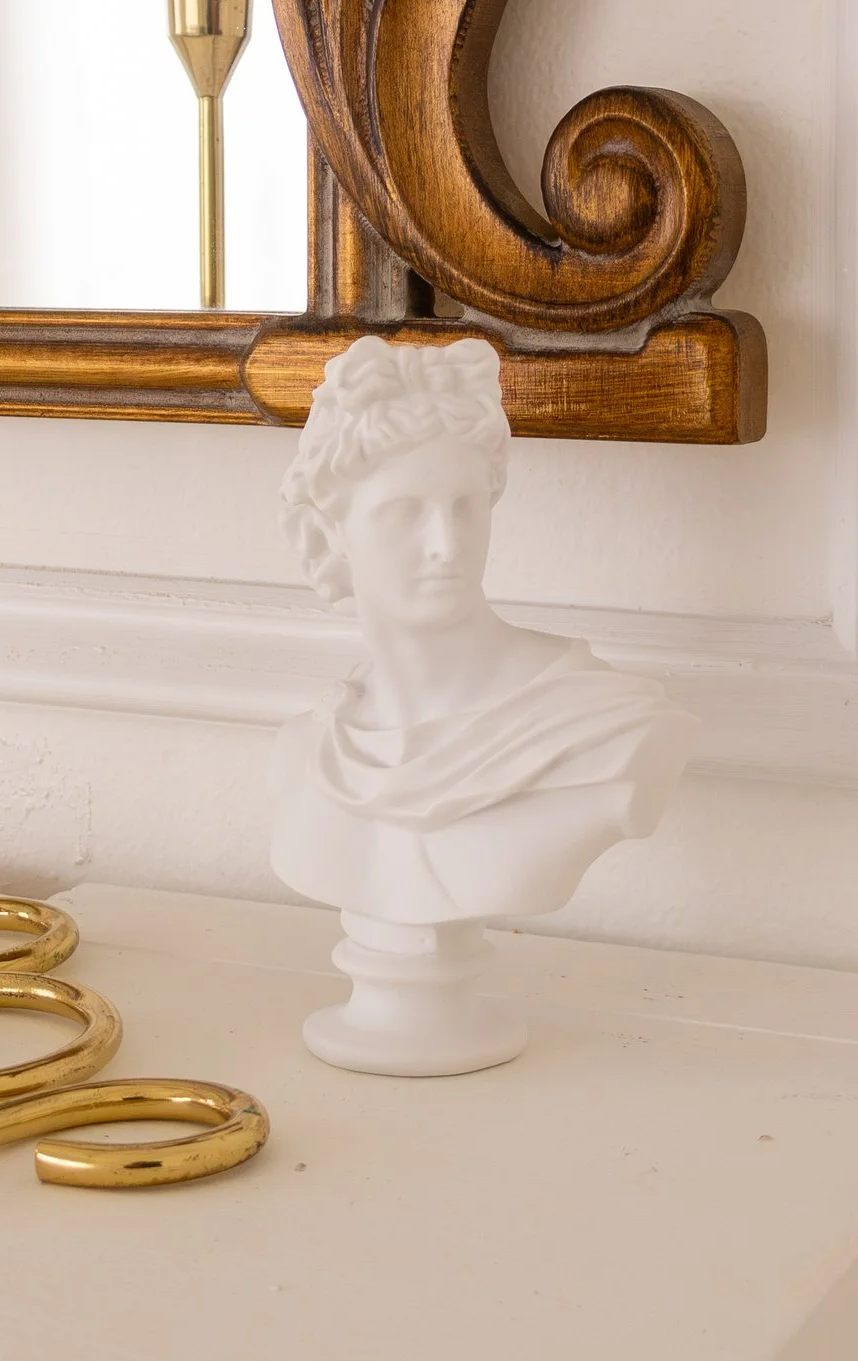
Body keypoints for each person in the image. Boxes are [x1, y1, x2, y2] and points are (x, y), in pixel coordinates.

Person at [270, 332, 691, 945]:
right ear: (325, 534)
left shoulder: (608, 732)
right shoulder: (306, 751)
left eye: (466, 506)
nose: (446, 545)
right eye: (404, 512)